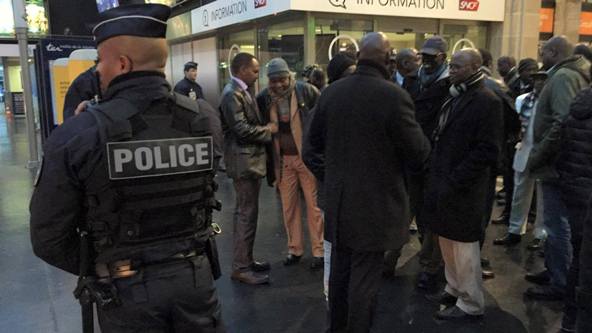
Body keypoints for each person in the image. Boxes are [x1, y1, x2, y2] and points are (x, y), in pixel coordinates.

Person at [30, 4, 225, 332]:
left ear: (121, 63)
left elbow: (48, 237)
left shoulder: (79, 134)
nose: (97, 71)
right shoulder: (204, 119)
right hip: (196, 280)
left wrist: (103, 263)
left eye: (100, 62)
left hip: (125, 290)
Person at [305, 32, 430, 333]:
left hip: (339, 202)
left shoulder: (331, 93)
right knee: (364, 282)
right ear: (388, 61)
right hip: (376, 207)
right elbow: (418, 153)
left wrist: (334, 174)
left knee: (340, 276)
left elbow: (310, 150)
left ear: (359, 56)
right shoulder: (393, 96)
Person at [423, 48, 503, 321]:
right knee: (447, 240)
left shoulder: (487, 101)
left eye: (457, 66)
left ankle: (470, 302)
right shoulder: (454, 95)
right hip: (446, 182)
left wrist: (456, 179)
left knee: (464, 247)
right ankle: (454, 287)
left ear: (474, 67)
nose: (452, 70)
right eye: (451, 66)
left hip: (465, 187)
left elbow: (487, 150)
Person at [525, 35, 591, 301]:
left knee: (556, 223)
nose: (540, 52)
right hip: (561, 164)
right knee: (555, 222)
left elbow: (561, 121)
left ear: (552, 52)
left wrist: (538, 156)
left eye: (543, 49)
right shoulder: (567, 74)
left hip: (556, 165)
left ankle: (560, 280)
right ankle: (555, 270)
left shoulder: (564, 77)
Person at [256, 58, 323, 269]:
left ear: (290, 77)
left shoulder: (306, 91)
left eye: (282, 79)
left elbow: (323, 118)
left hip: (307, 160)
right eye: (274, 80)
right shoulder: (264, 98)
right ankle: (294, 249)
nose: (278, 84)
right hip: (283, 160)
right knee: (288, 208)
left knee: (314, 207)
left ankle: (319, 251)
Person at [303, 51, 357, 301]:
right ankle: (331, 295)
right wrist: (334, 175)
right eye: (349, 73)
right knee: (333, 245)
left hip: (353, 191)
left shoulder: (355, 101)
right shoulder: (325, 104)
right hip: (334, 191)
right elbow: (310, 152)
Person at [220, 52, 277, 285]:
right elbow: (241, 129)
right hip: (243, 162)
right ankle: (241, 267)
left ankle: (245, 260)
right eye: (254, 70)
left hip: (247, 161)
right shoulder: (232, 93)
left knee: (246, 213)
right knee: (246, 214)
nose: (257, 74)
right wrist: (269, 131)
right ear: (242, 69)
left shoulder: (240, 91)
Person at [413, 35, 451, 291]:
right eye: (423, 56)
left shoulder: (448, 84)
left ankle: (432, 265)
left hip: (437, 157)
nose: (425, 61)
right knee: (420, 210)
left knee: (433, 213)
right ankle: (429, 258)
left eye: (430, 56)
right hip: (417, 154)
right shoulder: (417, 80)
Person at [494, 72, 548, 246]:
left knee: (542, 197)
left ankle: (540, 234)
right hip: (524, 148)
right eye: (537, 80)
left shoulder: (550, 102)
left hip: (543, 152)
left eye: (543, 80)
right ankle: (515, 230)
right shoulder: (523, 100)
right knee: (519, 193)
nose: (539, 83)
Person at [557, 87, 592, 333]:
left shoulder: (579, 103)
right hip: (583, 189)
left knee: (581, 260)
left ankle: (570, 319)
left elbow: (562, 146)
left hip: (574, 187)